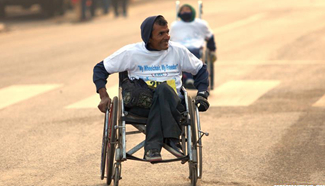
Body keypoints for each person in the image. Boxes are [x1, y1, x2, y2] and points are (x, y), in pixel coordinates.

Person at [93, 15, 210, 162]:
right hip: (141, 104)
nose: (167, 37)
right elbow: (100, 69)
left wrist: (202, 93)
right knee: (162, 89)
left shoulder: (178, 51)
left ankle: (153, 148)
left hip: (173, 105)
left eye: (167, 32)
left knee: (163, 90)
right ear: (148, 38)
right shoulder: (131, 52)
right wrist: (103, 96)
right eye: (161, 34)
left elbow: (200, 70)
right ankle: (171, 139)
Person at [170, 4, 217, 89]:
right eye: (182, 10)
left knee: (190, 54)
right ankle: (186, 78)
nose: (185, 12)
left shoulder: (201, 24)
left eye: (187, 10)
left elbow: (210, 36)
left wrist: (212, 50)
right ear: (179, 13)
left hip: (195, 47)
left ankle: (189, 78)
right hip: (179, 47)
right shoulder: (175, 26)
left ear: (192, 11)